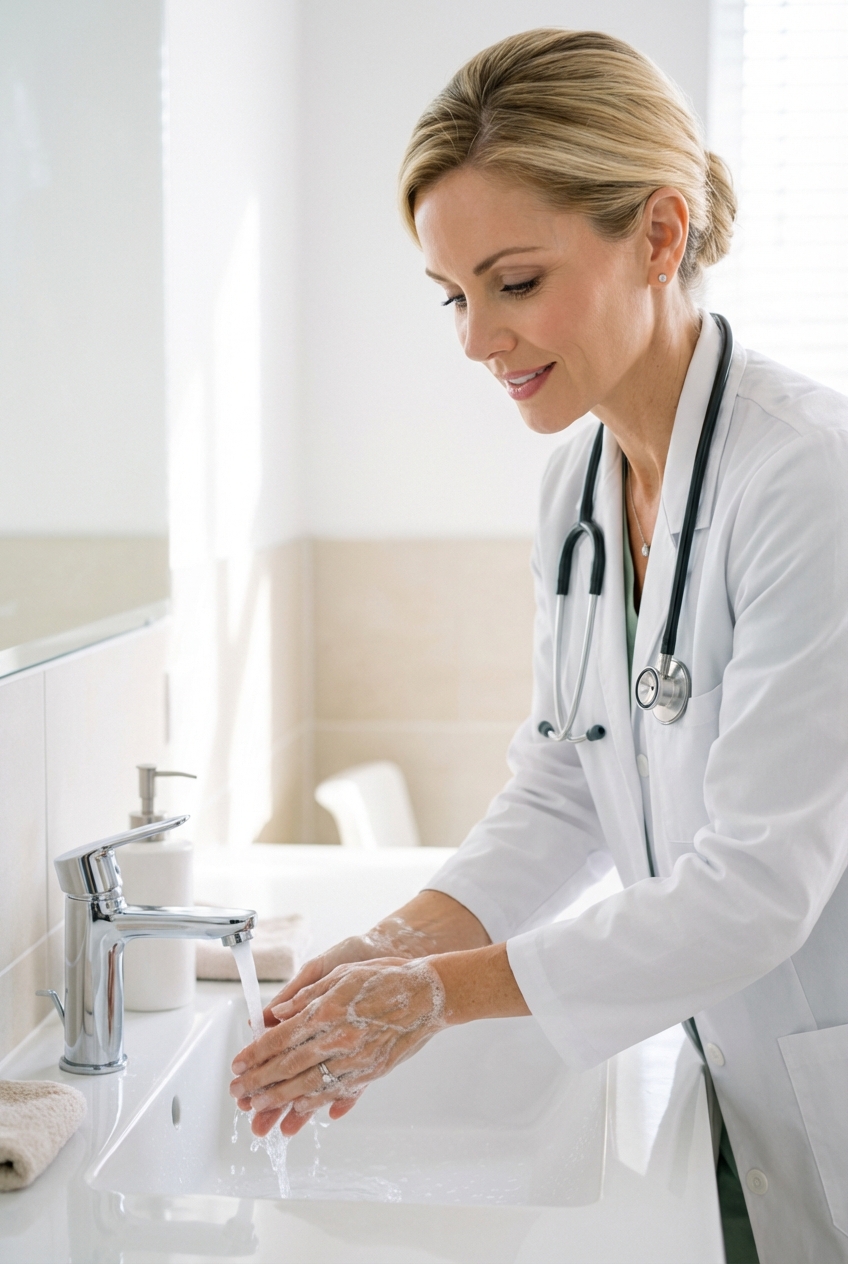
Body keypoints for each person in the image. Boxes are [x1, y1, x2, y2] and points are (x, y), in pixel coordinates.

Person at [229, 30, 848, 1263]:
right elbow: (563, 783)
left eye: (513, 283)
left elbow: (757, 889)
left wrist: (435, 995)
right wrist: (393, 940)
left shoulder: (809, 481)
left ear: (659, 237)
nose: (472, 340)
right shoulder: (577, 481)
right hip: (730, 1066)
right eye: (453, 295)